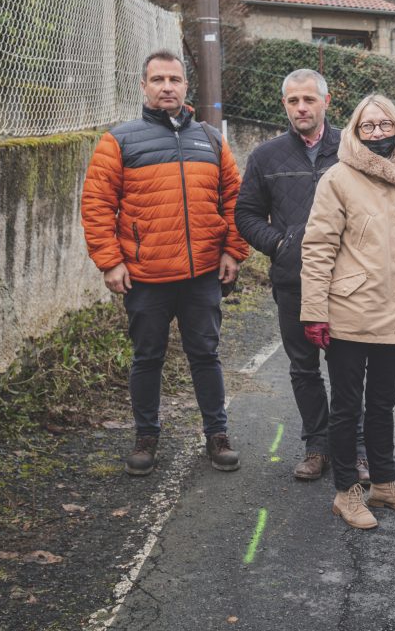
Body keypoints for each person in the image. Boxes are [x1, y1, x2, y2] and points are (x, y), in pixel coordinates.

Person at [81, 50, 249, 475]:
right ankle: (146, 436)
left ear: (185, 87)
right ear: (143, 86)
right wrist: (110, 262)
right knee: (147, 357)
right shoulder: (119, 140)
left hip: (202, 274)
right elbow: (97, 205)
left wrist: (233, 250)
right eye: (158, 80)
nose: (167, 87)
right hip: (146, 275)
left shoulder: (211, 139)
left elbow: (235, 200)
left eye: (174, 79)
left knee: (205, 355)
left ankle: (217, 434)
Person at [299, 94, 395, 530]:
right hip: (348, 311)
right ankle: (346, 492)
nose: (377, 132)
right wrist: (314, 312)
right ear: (355, 131)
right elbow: (318, 248)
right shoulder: (337, 178)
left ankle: (385, 483)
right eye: (368, 126)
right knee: (346, 408)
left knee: (383, 404)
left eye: (385, 125)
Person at [234, 69, 369, 485]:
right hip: (294, 281)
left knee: (348, 368)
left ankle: (357, 450)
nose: (301, 108)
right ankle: (317, 446)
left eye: (309, 99)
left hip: (347, 282)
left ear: (326, 102)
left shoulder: (353, 150)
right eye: (293, 101)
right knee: (303, 367)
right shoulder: (266, 156)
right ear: (284, 106)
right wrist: (279, 245)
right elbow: (245, 214)